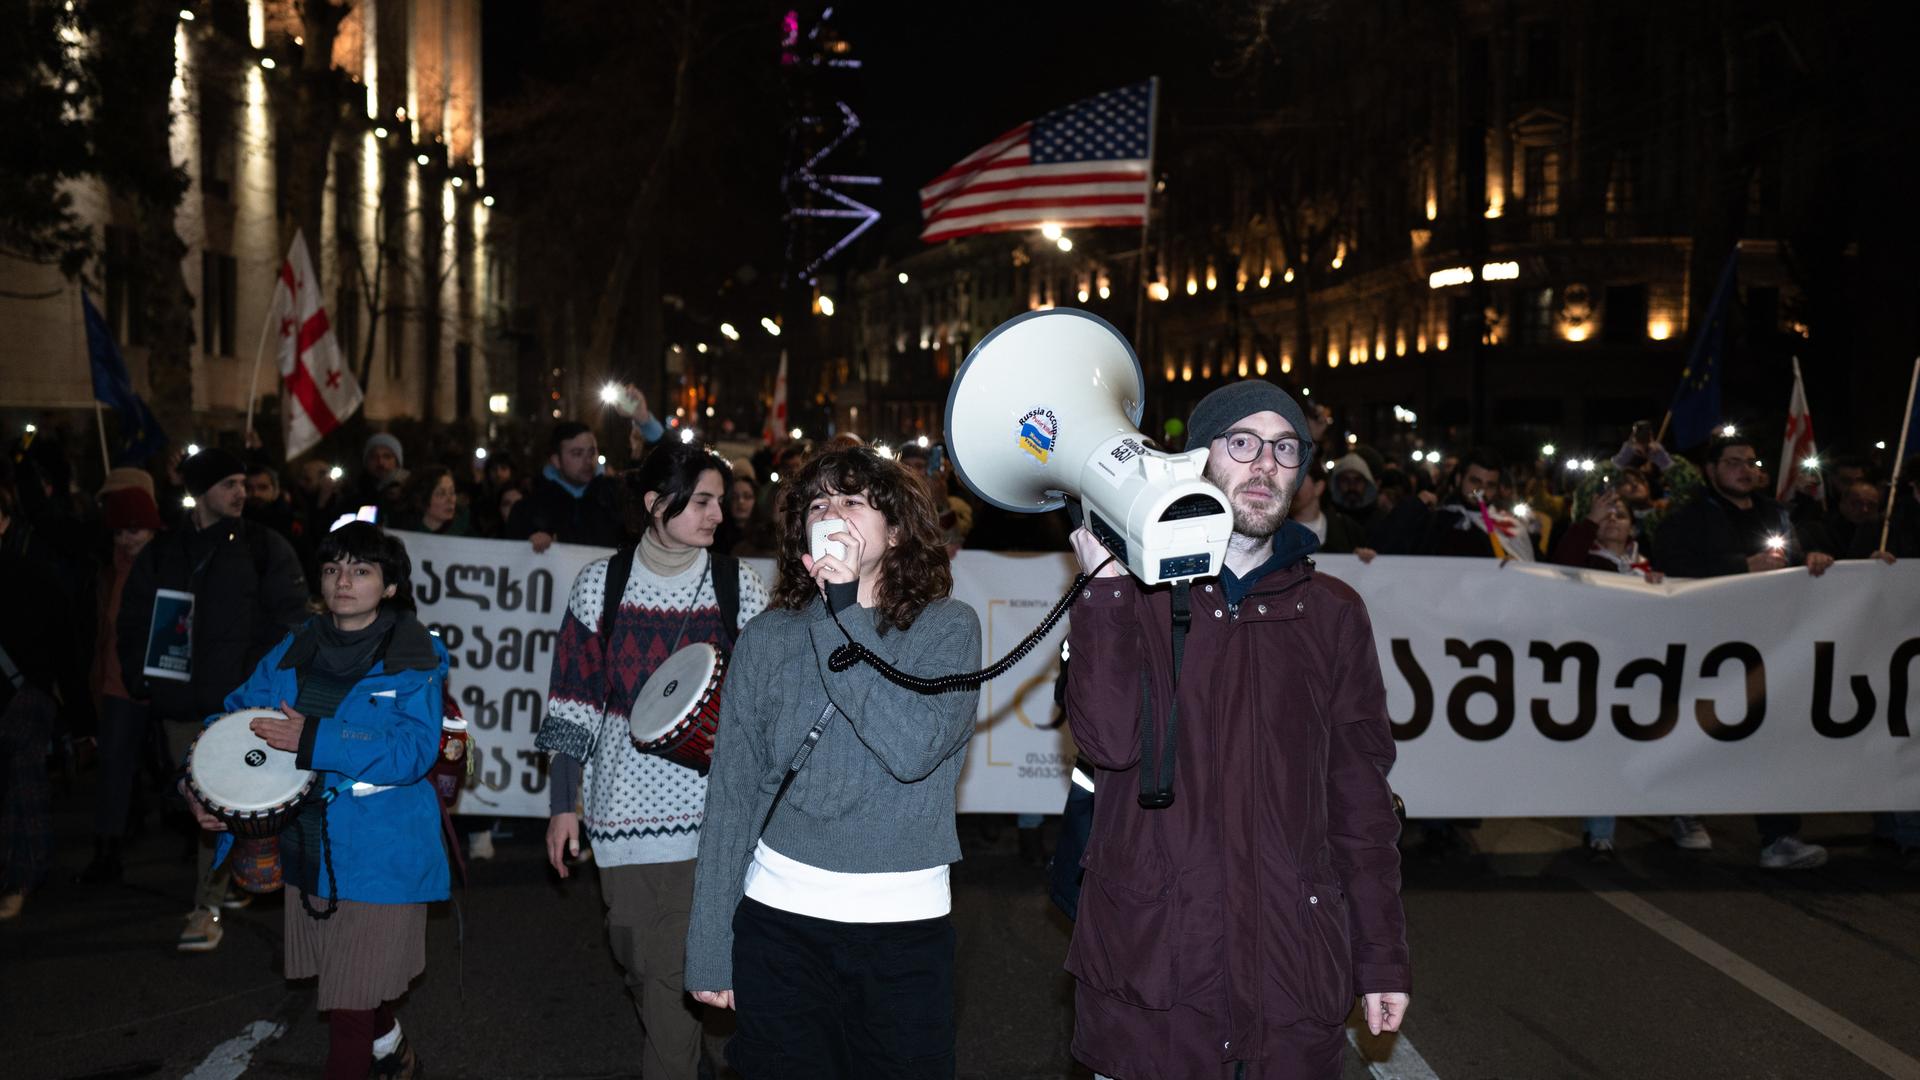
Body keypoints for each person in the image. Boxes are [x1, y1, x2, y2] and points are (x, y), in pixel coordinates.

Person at [1064, 381, 1410, 1078]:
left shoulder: (1334, 614)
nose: (1264, 466)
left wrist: (1381, 957)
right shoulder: (1130, 595)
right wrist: (1102, 590)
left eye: (1285, 448)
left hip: (1290, 967)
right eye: (1242, 442)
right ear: (1198, 458)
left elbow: (1361, 804)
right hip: (1155, 975)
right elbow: (1107, 744)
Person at [685, 447, 982, 1078]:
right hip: (779, 928)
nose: (832, 511)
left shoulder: (948, 630)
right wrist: (710, 942)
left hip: (903, 934)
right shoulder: (769, 637)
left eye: (852, 499)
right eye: (818, 503)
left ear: (896, 529)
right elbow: (733, 794)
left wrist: (843, 612)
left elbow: (911, 751)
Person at [538, 442, 769, 1080]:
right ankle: (717, 1050)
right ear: (654, 503)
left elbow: (768, 692)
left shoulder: (735, 585)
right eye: (702, 501)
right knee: (643, 963)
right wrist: (564, 807)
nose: (717, 514)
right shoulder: (600, 585)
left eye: (720, 501)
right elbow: (572, 703)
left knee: (674, 973)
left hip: (713, 818)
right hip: (621, 819)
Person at [191, 523, 447, 1078]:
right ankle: (395, 1050)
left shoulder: (414, 653)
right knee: (349, 978)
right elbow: (231, 722)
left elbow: (413, 751)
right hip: (308, 843)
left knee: (350, 1000)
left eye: (361, 570)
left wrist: (316, 737)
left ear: (391, 586)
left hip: (382, 851)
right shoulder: (292, 646)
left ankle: (374, 1052)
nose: (343, 582)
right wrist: (200, 787)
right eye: (332, 570)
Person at [117, 448, 310, 950]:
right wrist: (145, 680)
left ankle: (206, 906)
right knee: (200, 799)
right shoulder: (162, 552)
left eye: (243, 482)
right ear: (201, 491)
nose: (241, 492)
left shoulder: (265, 548)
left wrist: (257, 682)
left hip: (240, 708)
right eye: (228, 484)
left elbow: (291, 621)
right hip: (180, 701)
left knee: (220, 800)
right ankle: (225, 881)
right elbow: (135, 620)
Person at [1653, 432, 1834, 870]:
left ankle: (1780, 837)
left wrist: (1813, 559)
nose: (1744, 469)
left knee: (1773, 738)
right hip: (1709, 647)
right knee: (1702, 733)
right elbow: (1670, 568)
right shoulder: (1688, 518)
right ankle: (1687, 810)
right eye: (1733, 462)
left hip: (1768, 645)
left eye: (1751, 461)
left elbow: (1794, 557)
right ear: (1710, 470)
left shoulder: (1775, 513)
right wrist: (1740, 568)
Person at [1547, 489, 1714, 860]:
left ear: (1632, 527)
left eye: (1619, 515)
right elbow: (1560, 566)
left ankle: (1684, 815)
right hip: (1602, 671)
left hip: (1648, 671)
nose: (1612, 520)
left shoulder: (1648, 566)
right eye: (1604, 515)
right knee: (1606, 750)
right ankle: (1600, 832)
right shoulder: (1584, 561)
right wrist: (1587, 521)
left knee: (1669, 743)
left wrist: (1663, 592)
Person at [1, 486, 94, 919]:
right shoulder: (39, 574)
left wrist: (80, 721)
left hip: (24, 698)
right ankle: (20, 877)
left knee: (24, 792)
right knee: (23, 791)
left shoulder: (35, 576)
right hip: (29, 694)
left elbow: (65, 652)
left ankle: (21, 877)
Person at [75, 485, 167, 885]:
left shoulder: (168, 566)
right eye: (120, 531)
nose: (128, 539)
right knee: (113, 769)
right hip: (117, 684)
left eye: (136, 529)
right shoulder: (106, 571)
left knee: (173, 765)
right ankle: (107, 850)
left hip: (163, 683)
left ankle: (194, 842)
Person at [506, 421, 624, 551]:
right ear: (556, 460)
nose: (588, 461)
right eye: (577, 453)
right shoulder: (528, 509)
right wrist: (529, 543)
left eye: (592, 452)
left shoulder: (616, 497)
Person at [1290, 461, 1370, 556]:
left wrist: (1365, 558)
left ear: (1318, 487)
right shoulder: (1274, 532)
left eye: (1297, 480)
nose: (1289, 488)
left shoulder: (1347, 530)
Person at [390, 465, 468, 536]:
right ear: (421, 499)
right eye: (441, 494)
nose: (451, 500)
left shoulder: (465, 529)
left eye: (452, 492)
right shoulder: (401, 531)